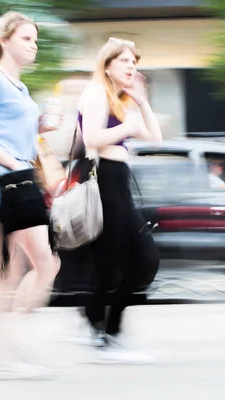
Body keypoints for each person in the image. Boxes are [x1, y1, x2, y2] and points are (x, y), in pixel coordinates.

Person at [0, 11, 60, 379]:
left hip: (18, 179)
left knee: (21, 268)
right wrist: (13, 163)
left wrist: (40, 126)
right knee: (11, 270)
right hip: (0, 181)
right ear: (5, 40)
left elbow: (10, 132)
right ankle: (4, 353)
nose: (33, 45)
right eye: (26, 38)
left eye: (35, 39)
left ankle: (2, 351)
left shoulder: (18, 87)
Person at [77, 37, 162, 363]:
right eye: (125, 61)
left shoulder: (117, 98)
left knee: (131, 261)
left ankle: (99, 322)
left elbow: (155, 136)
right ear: (108, 64)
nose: (132, 67)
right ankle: (103, 328)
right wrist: (127, 125)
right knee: (127, 261)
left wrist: (141, 102)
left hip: (118, 183)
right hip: (105, 182)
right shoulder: (97, 92)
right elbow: (92, 138)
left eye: (134, 62)